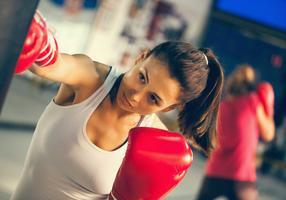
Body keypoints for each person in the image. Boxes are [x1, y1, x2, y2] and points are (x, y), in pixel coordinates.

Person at [11, 11, 224, 199]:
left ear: (168, 108)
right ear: (140, 57)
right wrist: (38, 42)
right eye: (142, 77)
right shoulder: (91, 79)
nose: (135, 95)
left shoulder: (157, 144)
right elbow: (51, 66)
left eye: (153, 99)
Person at [196, 64, 275, 200]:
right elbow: (268, 134)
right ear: (251, 84)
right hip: (241, 175)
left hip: (215, 171)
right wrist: (268, 109)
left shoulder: (222, 107)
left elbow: (214, 140)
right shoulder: (253, 102)